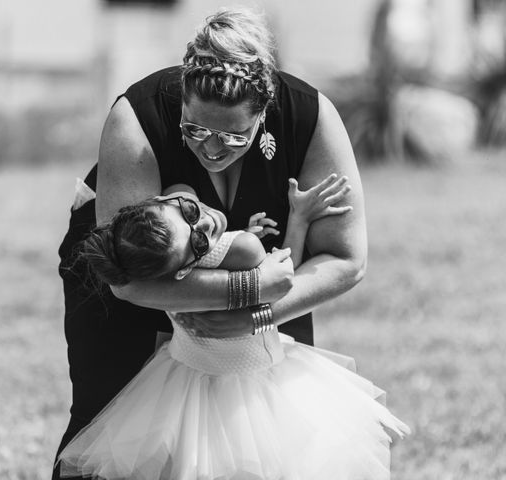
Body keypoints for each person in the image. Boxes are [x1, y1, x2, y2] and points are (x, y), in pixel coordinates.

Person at [53, 7, 368, 478]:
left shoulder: (311, 117)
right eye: (194, 129)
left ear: (265, 112)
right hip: (129, 280)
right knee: (116, 435)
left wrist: (257, 316)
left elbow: (346, 258)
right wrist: (248, 293)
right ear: (182, 99)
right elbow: (128, 277)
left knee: (270, 444)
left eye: (233, 135)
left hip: (271, 298)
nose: (212, 148)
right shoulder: (136, 118)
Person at [56, 175, 409, 479]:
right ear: (179, 275)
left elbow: (189, 208)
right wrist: (297, 219)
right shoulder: (242, 248)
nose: (205, 227)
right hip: (259, 387)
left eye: (191, 212)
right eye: (198, 243)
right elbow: (283, 275)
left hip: (182, 389)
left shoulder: (154, 269)